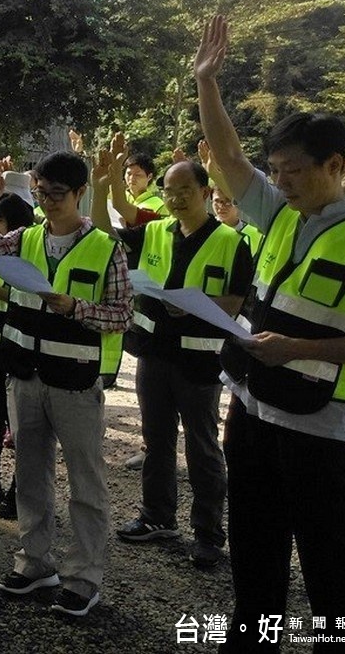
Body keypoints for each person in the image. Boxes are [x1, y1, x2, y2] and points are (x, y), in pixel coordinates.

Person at [194, 15, 345, 646]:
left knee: (330, 561)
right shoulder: (280, 213)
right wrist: (207, 83)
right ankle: (252, 637)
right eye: (278, 170)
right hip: (254, 407)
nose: (282, 182)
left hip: (323, 425)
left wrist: (301, 349)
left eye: (295, 170)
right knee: (254, 543)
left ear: (336, 165)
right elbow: (230, 157)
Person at [0, 152, 132, 618]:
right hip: (24, 376)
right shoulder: (25, 237)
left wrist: (74, 307)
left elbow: (123, 314)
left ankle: (84, 578)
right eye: (40, 192)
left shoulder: (106, 247)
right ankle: (34, 562)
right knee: (31, 477)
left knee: (86, 483)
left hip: (76, 383)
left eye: (57, 194)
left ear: (81, 194)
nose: (48, 202)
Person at [92, 158, 252, 569]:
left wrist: (195, 307)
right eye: (169, 191)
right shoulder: (155, 231)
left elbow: (236, 301)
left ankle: (208, 534)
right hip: (154, 354)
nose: (176, 198)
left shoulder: (232, 241)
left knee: (201, 446)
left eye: (185, 190)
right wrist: (100, 189)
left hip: (200, 363)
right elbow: (104, 237)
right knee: (156, 440)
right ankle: (157, 517)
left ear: (204, 192)